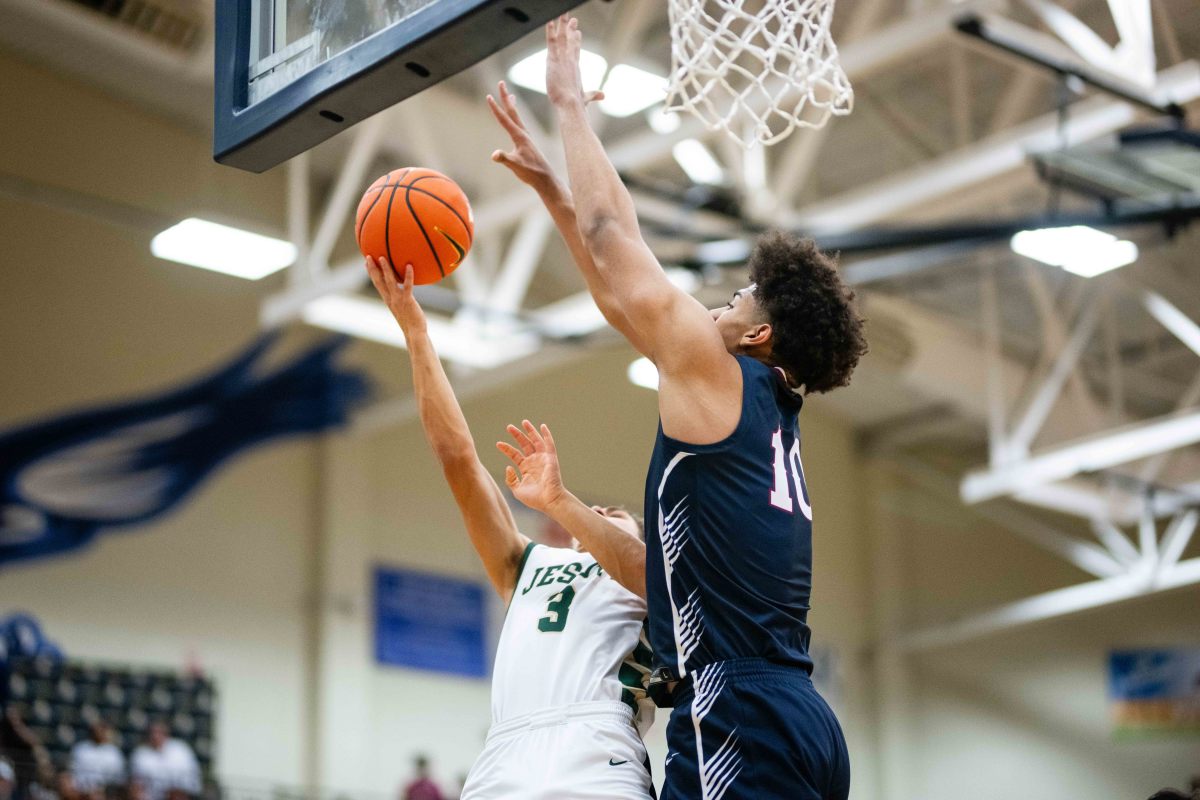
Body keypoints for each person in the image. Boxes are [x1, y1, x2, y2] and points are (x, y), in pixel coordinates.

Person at [499, 16, 869, 800]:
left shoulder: (721, 374)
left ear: (759, 333)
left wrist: (568, 104)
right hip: (799, 717)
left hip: (737, 713)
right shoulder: (766, 415)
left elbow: (614, 239)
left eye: (737, 297)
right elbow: (619, 299)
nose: (717, 303)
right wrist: (553, 196)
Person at [363, 256, 655, 799]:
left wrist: (563, 502)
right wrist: (416, 331)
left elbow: (640, 570)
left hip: (596, 742)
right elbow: (458, 458)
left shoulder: (651, 573)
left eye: (617, 517)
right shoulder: (528, 564)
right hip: (505, 751)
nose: (602, 515)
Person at [129, 722, 199, 800]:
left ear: (166, 733)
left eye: (159, 732)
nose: (155, 736)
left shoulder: (181, 751)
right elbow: (136, 789)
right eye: (152, 733)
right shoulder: (140, 754)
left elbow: (191, 786)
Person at [69, 722, 124, 794]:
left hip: (106, 793)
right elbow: (72, 772)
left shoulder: (113, 752)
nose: (98, 733)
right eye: (96, 730)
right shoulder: (80, 749)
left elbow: (117, 778)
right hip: (81, 791)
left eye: (101, 730)